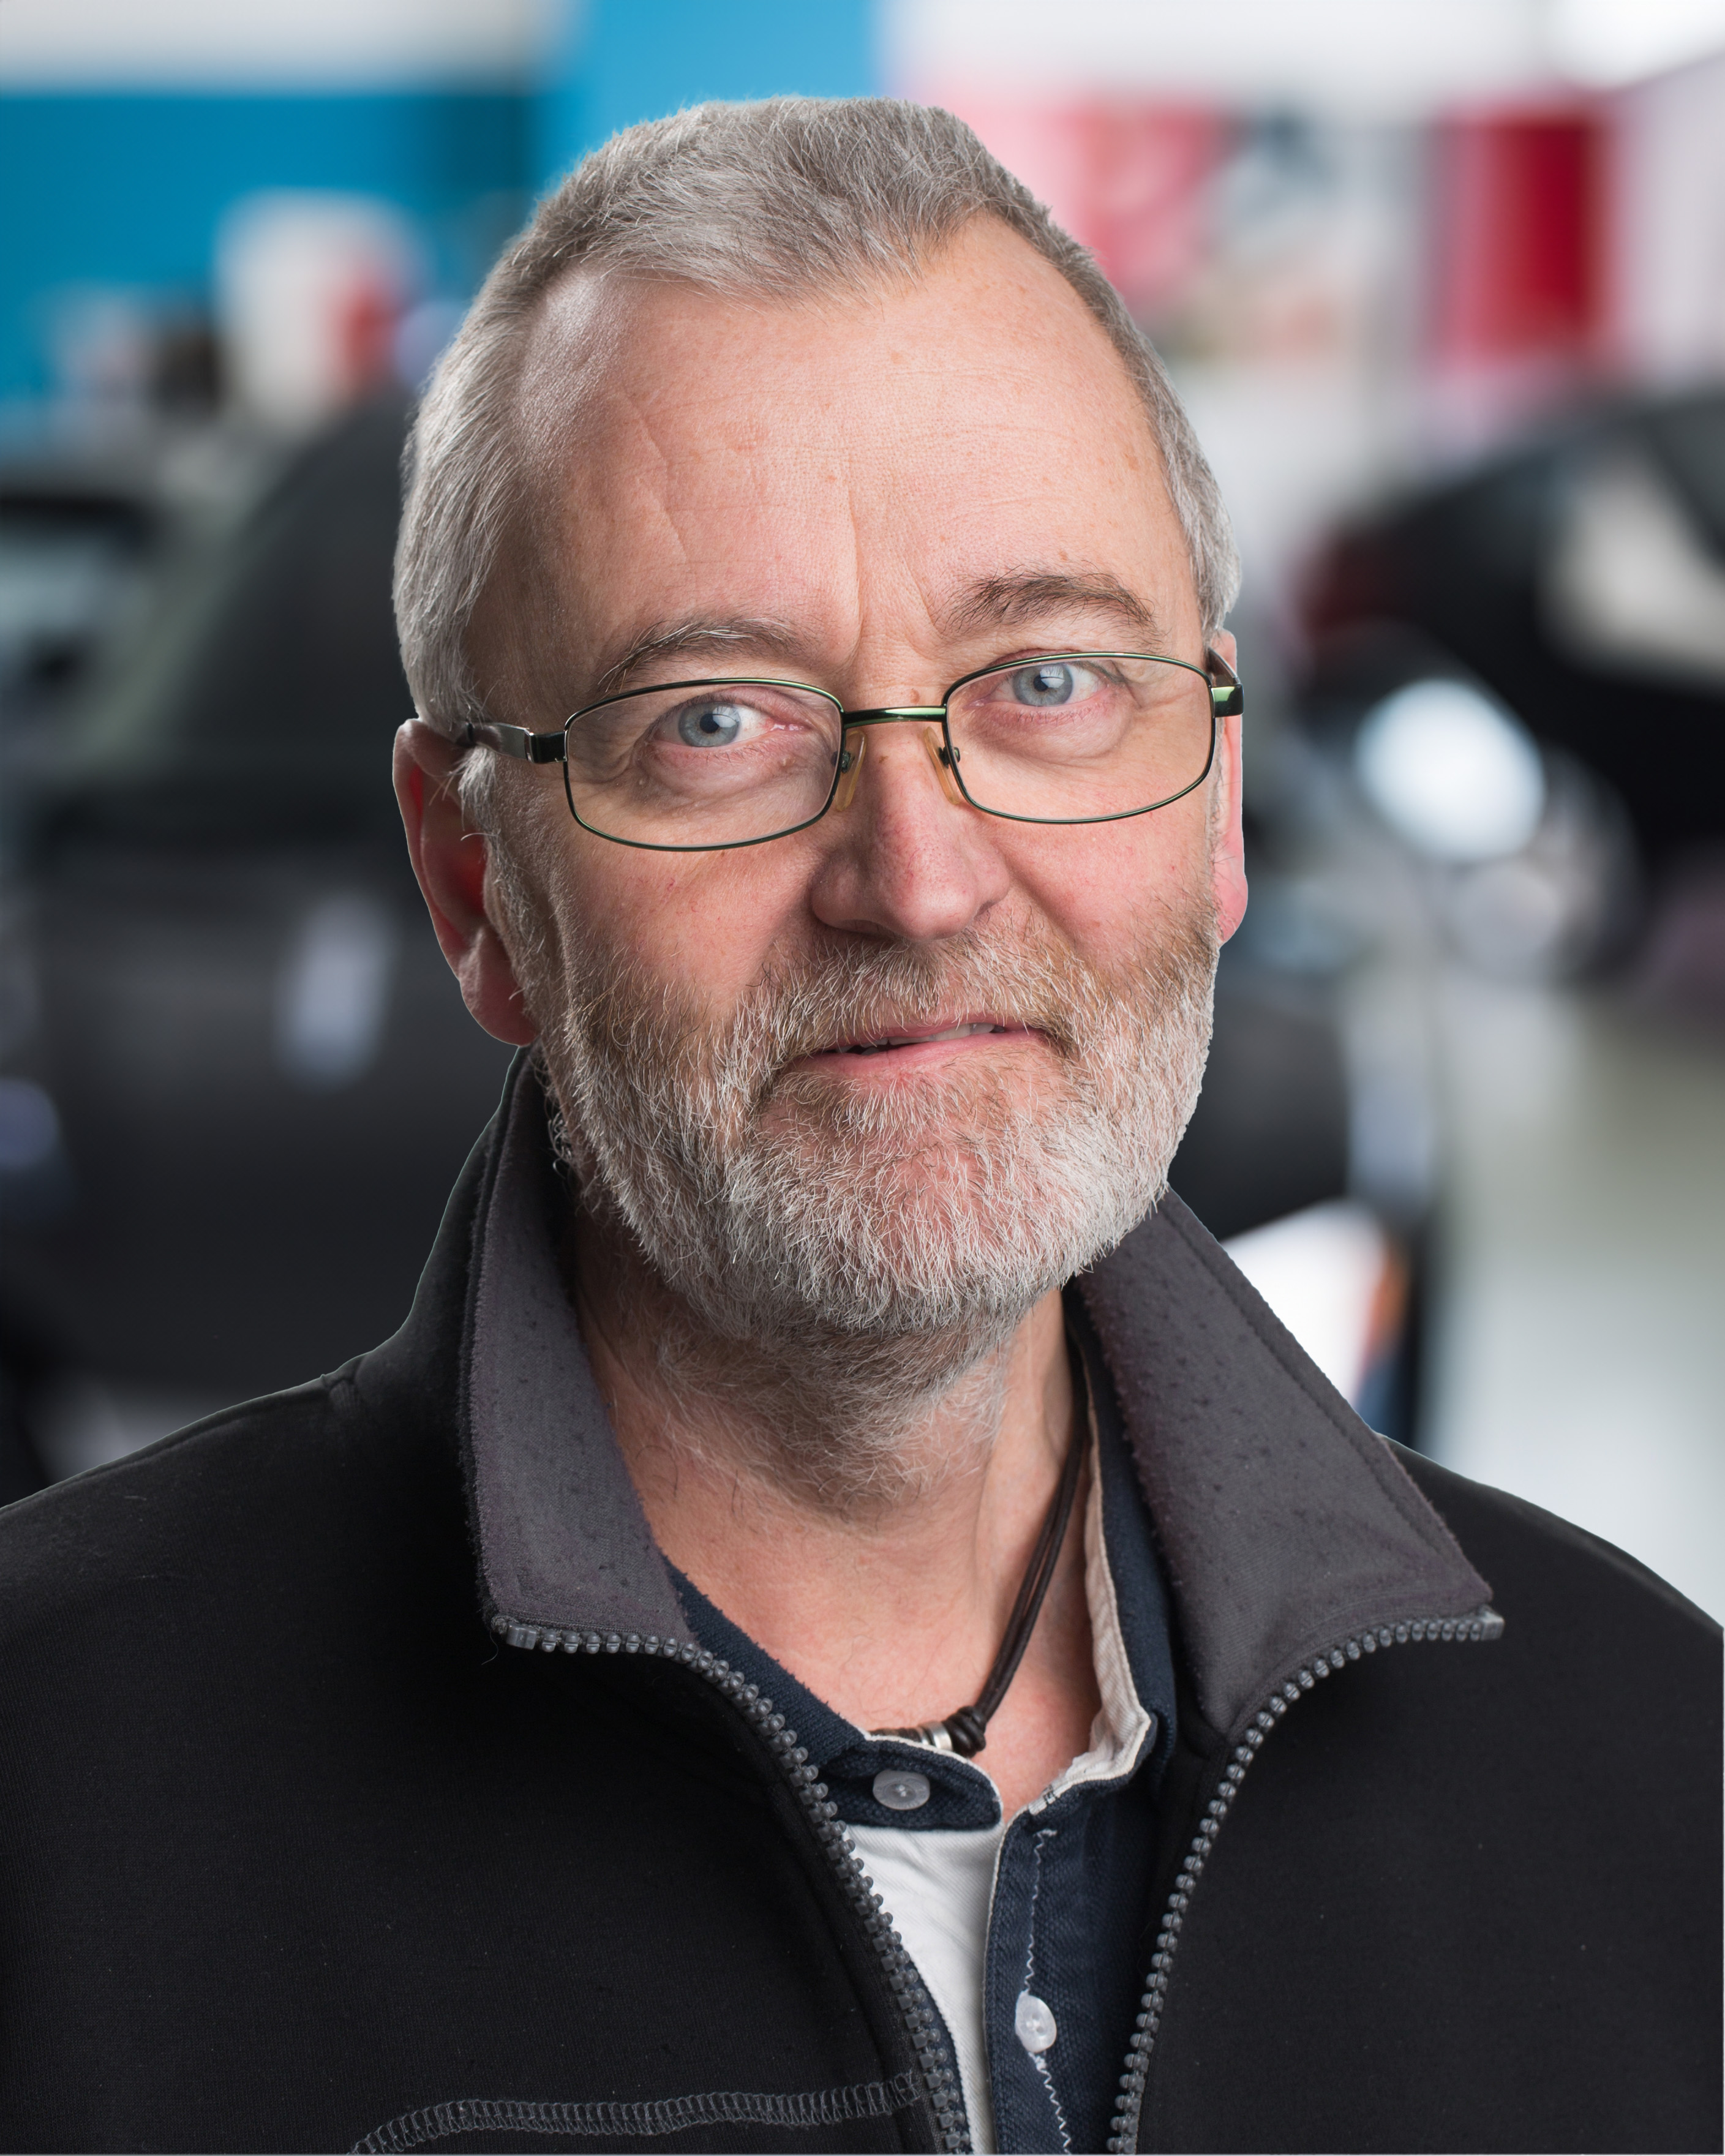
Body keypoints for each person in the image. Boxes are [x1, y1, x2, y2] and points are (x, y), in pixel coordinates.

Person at [0, 99, 1716, 2156]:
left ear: (1218, 797)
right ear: (476, 884)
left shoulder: (1652, 1769)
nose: (915, 880)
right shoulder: (51, 1811)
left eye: (1047, 682)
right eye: (715, 721)